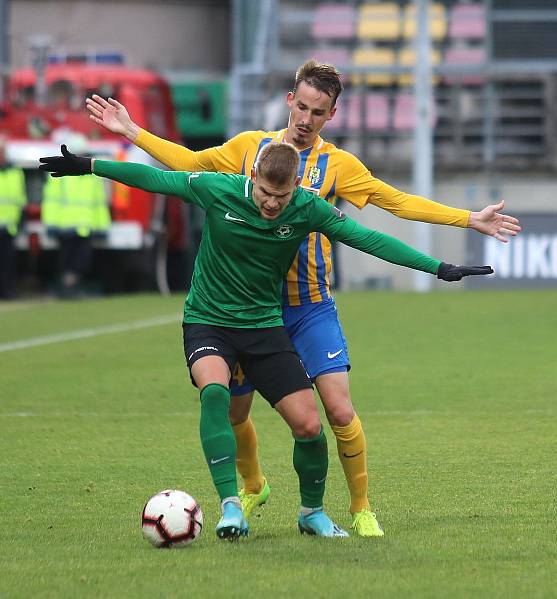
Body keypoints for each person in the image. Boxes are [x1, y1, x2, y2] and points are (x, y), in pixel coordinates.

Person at [86, 60, 521, 537]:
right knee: (234, 411)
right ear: (290, 100)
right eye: (302, 106)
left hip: (310, 305)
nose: (306, 119)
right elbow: (189, 167)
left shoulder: (338, 166)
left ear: (331, 114)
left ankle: (359, 508)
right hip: (253, 309)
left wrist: (465, 220)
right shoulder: (250, 149)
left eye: (318, 112)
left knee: (335, 411)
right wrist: (132, 132)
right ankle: (252, 488)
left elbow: (394, 203)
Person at [41, 133, 110, 298]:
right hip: (65, 227)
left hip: (85, 227)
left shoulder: (92, 177)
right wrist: (50, 225)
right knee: (67, 260)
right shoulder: (60, 175)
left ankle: (71, 287)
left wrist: (102, 226)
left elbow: (99, 204)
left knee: (82, 261)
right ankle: (67, 289)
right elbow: (52, 201)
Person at [0, 136, 29, 300]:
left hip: (8, 228)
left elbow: (20, 200)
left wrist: (21, 222)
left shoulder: (15, 172)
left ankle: (8, 292)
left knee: (8, 264)